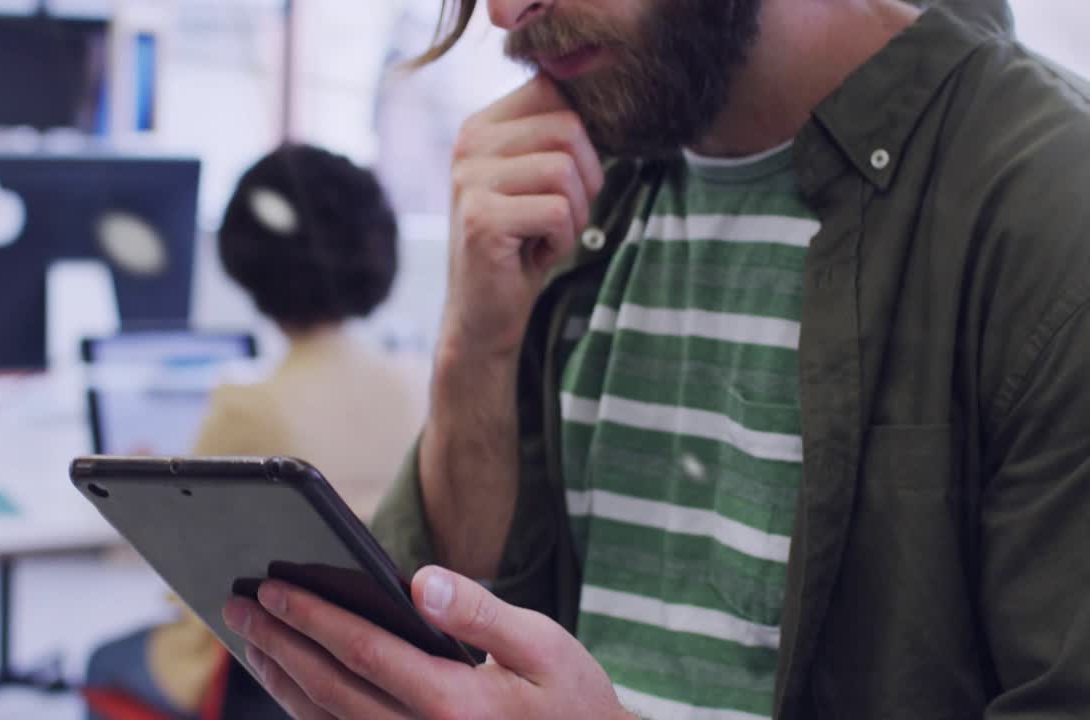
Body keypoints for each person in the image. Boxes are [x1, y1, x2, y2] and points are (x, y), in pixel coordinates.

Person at [220, 0, 1090, 718]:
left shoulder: (1047, 206)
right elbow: (464, 610)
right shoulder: (585, 177)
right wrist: (474, 351)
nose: (504, 13)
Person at [85, 143, 425, 719]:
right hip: (381, 671)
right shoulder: (418, 388)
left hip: (257, 673)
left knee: (103, 660)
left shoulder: (250, 408)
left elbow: (184, 576)